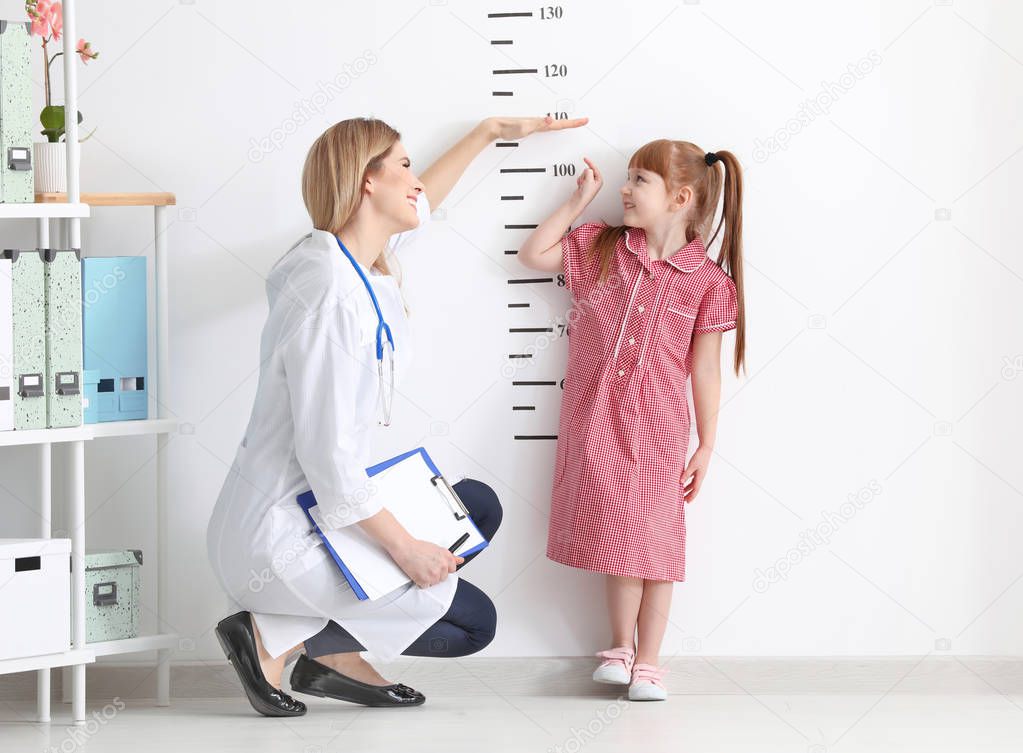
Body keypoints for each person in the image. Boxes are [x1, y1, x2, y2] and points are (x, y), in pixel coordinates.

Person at [206, 114, 586, 716]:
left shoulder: (350, 258)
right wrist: (407, 550)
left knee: (474, 505)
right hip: (282, 532)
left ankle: (291, 644)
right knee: (471, 624)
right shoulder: (331, 292)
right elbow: (328, 463)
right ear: (366, 182)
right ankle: (279, 640)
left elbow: (423, 202)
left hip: (308, 506)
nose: (416, 182)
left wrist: (489, 132)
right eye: (404, 166)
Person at [517, 140, 747, 701]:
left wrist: (707, 444)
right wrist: (579, 199)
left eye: (639, 179)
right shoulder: (601, 248)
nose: (624, 188)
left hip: (660, 431)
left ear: (680, 198)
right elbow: (534, 254)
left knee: (657, 544)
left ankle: (650, 663)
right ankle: (619, 649)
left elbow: (706, 373)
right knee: (621, 540)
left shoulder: (708, 283)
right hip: (596, 425)